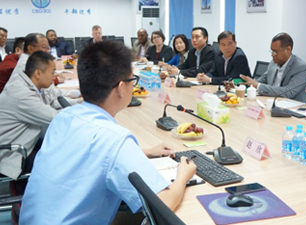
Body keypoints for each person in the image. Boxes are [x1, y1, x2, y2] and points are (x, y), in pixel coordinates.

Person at [19, 41, 196, 224]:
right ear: (120, 88)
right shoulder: (114, 138)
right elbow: (162, 204)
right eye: (132, 80)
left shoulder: (65, 116)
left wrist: (146, 152)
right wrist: (183, 174)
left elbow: (93, 155)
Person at [0, 51, 58, 179]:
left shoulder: (27, 85)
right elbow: (55, 117)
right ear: (38, 73)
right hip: (11, 155)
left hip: (23, 142)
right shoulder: (22, 95)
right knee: (59, 161)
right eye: (52, 72)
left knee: (57, 144)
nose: (54, 77)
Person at [227, 32, 306, 102]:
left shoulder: (301, 68)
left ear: (288, 49)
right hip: (271, 102)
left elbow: (287, 92)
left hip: (292, 109)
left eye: (275, 52)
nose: (272, 55)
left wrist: (258, 85)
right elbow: (260, 81)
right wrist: (237, 85)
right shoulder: (273, 63)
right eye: (271, 51)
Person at [8, 33, 80, 108]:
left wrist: (78, 93)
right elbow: (51, 99)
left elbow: (50, 95)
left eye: (48, 48)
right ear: (30, 49)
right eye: (44, 47)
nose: (47, 51)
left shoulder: (31, 62)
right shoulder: (28, 66)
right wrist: (78, 100)